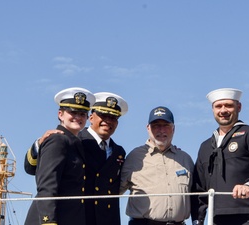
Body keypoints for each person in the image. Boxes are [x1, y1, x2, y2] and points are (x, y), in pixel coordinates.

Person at [24, 92, 128, 225]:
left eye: (113, 117)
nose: (108, 121)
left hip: (103, 218)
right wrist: (39, 144)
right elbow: (36, 171)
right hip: (73, 216)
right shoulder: (71, 140)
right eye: (103, 115)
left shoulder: (119, 152)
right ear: (91, 117)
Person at [191, 88, 249, 225]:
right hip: (217, 217)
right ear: (213, 110)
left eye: (229, 105)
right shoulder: (205, 146)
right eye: (218, 106)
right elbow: (199, 188)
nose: (223, 110)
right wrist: (198, 219)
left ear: (239, 107)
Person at [25, 87, 95, 225]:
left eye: (82, 114)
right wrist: (48, 221)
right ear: (60, 114)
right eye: (72, 112)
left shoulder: (75, 143)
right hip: (50, 219)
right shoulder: (58, 140)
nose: (78, 117)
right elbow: (47, 184)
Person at [120, 106, 194, 225]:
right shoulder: (134, 157)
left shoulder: (185, 159)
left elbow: (197, 195)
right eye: (156, 126)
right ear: (148, 128)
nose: (161, 130)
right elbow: (113, 192)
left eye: (166, 125)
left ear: (173, 129)